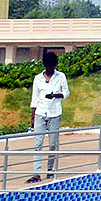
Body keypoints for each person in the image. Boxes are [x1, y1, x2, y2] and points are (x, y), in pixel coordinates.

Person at [27, 50, 69, 183]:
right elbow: (34, 99)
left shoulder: (61, 76)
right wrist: (33, 118)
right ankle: (37, 172)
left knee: (52, 144)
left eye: (53, 66)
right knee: (38, 143)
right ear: (46, 66)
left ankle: (50, 170)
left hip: (55, 113)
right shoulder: (38, 79)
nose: (52, 69)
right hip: (40, 112)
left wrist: (55, 95)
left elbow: (66, 92)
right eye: (50, 67)